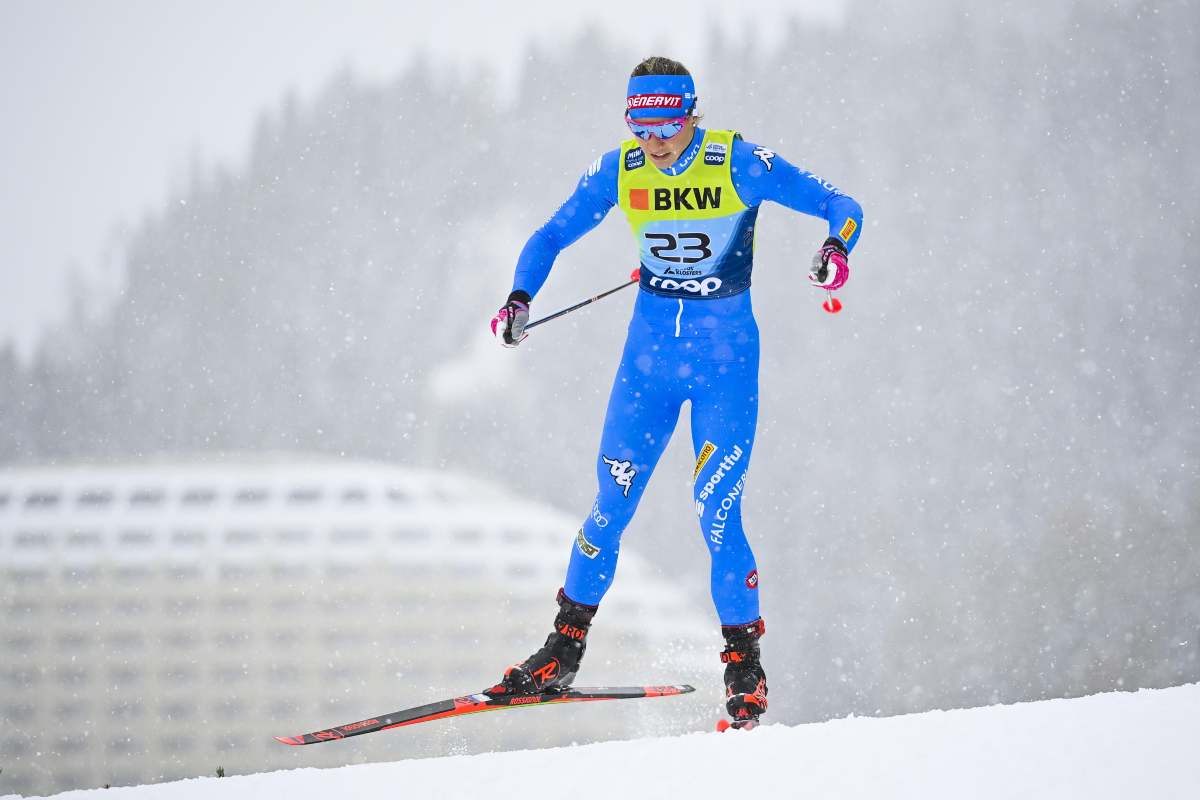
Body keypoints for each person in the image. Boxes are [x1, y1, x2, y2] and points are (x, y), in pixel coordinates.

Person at [488, 56, 863, 727]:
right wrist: (519, 298)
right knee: (609, 506)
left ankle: (745, 672)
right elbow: (550, 235)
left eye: (666, 121)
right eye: (641, 124)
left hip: (726, 363)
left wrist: (836, 249)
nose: (655, 140)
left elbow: (842, 205)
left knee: (717, 512)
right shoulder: (621, 170)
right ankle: (560, 653)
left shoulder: (736, 163)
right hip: (649, 363)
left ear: (691, 112)